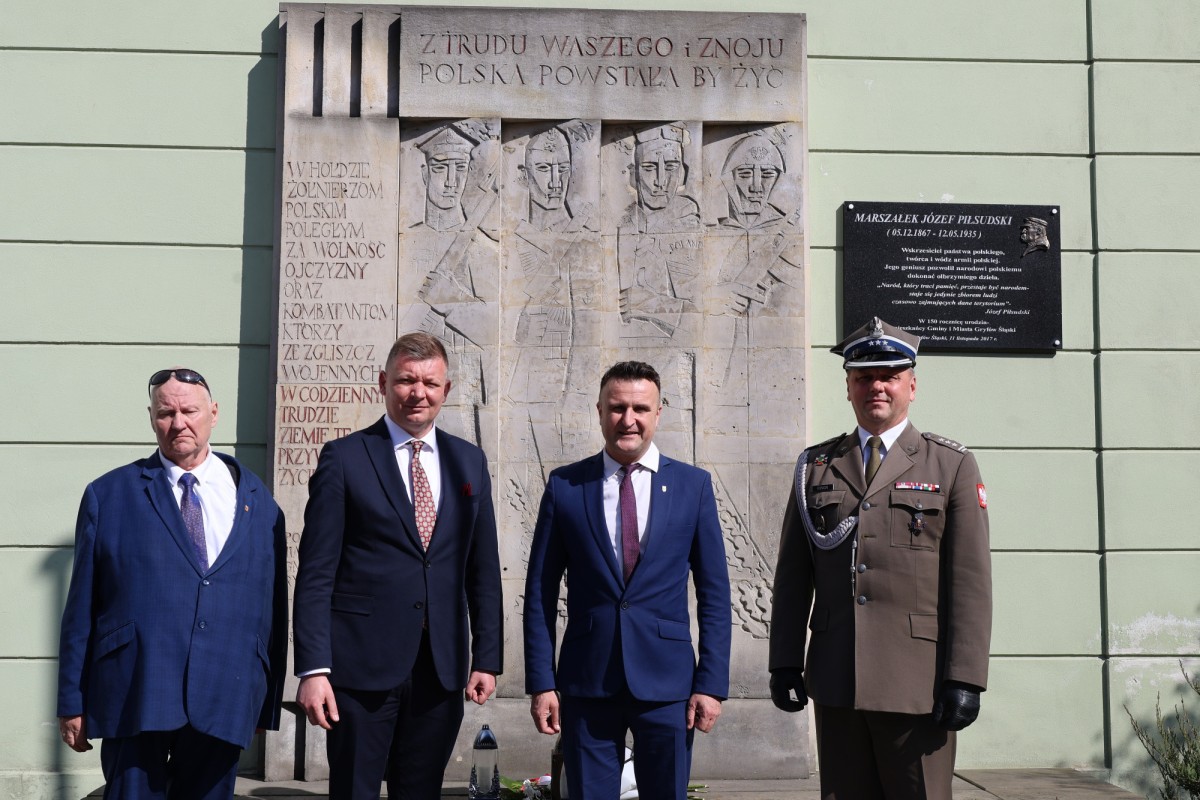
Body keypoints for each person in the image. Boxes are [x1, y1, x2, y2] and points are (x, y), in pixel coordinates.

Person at [768, 317, 992, 800]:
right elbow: (793, 576)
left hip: (918, 683)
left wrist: (965, 677)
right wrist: (784, 661)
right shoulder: (816, 466)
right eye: (864, 377)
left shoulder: (950, 464)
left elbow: (970, 583)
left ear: (912, 385)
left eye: (889, 376)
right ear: (848, 387)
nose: (877, 387)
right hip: (836, 678)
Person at [57, 367, 287, 800]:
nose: (178, 422)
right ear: (151, 417)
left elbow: (271, 607)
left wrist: (265, 701)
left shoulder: (258, 502)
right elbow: (81, 605)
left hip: (225, 689)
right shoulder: (109, 494)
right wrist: (72, 700)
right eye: (166, 413)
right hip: (136, 689)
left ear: (213, 413)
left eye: (189, 411)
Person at [293, 332, 503, 800]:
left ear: (446, 390)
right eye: (406, 380)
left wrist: (487, 658)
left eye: (430, 383)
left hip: (441, 668)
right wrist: (313, 668)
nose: (417, 393)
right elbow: (316, 573)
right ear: (383, 383)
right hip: (359, 668)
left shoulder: (469, 462)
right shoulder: (345, 458)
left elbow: (483, 570)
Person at [524, 360, 731, 800]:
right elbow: (539, 592)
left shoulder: (693, 486)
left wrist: (711, 685)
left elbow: (714, 594)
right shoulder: (565, 486)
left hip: (668, 687)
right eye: (617, 408)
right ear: (600, 411)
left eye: (640, 408)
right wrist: (542, 682)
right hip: (588, 682)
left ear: (659, 413)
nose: (628, 419)